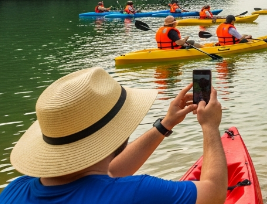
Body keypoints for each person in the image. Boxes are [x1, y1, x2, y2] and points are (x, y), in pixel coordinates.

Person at [0, 67, 226, 204]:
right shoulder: (138, 193)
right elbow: (214, 194)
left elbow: (103, 175)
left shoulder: (14, 190)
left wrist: (165, 125)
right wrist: (210, 126)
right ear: (118, 133)